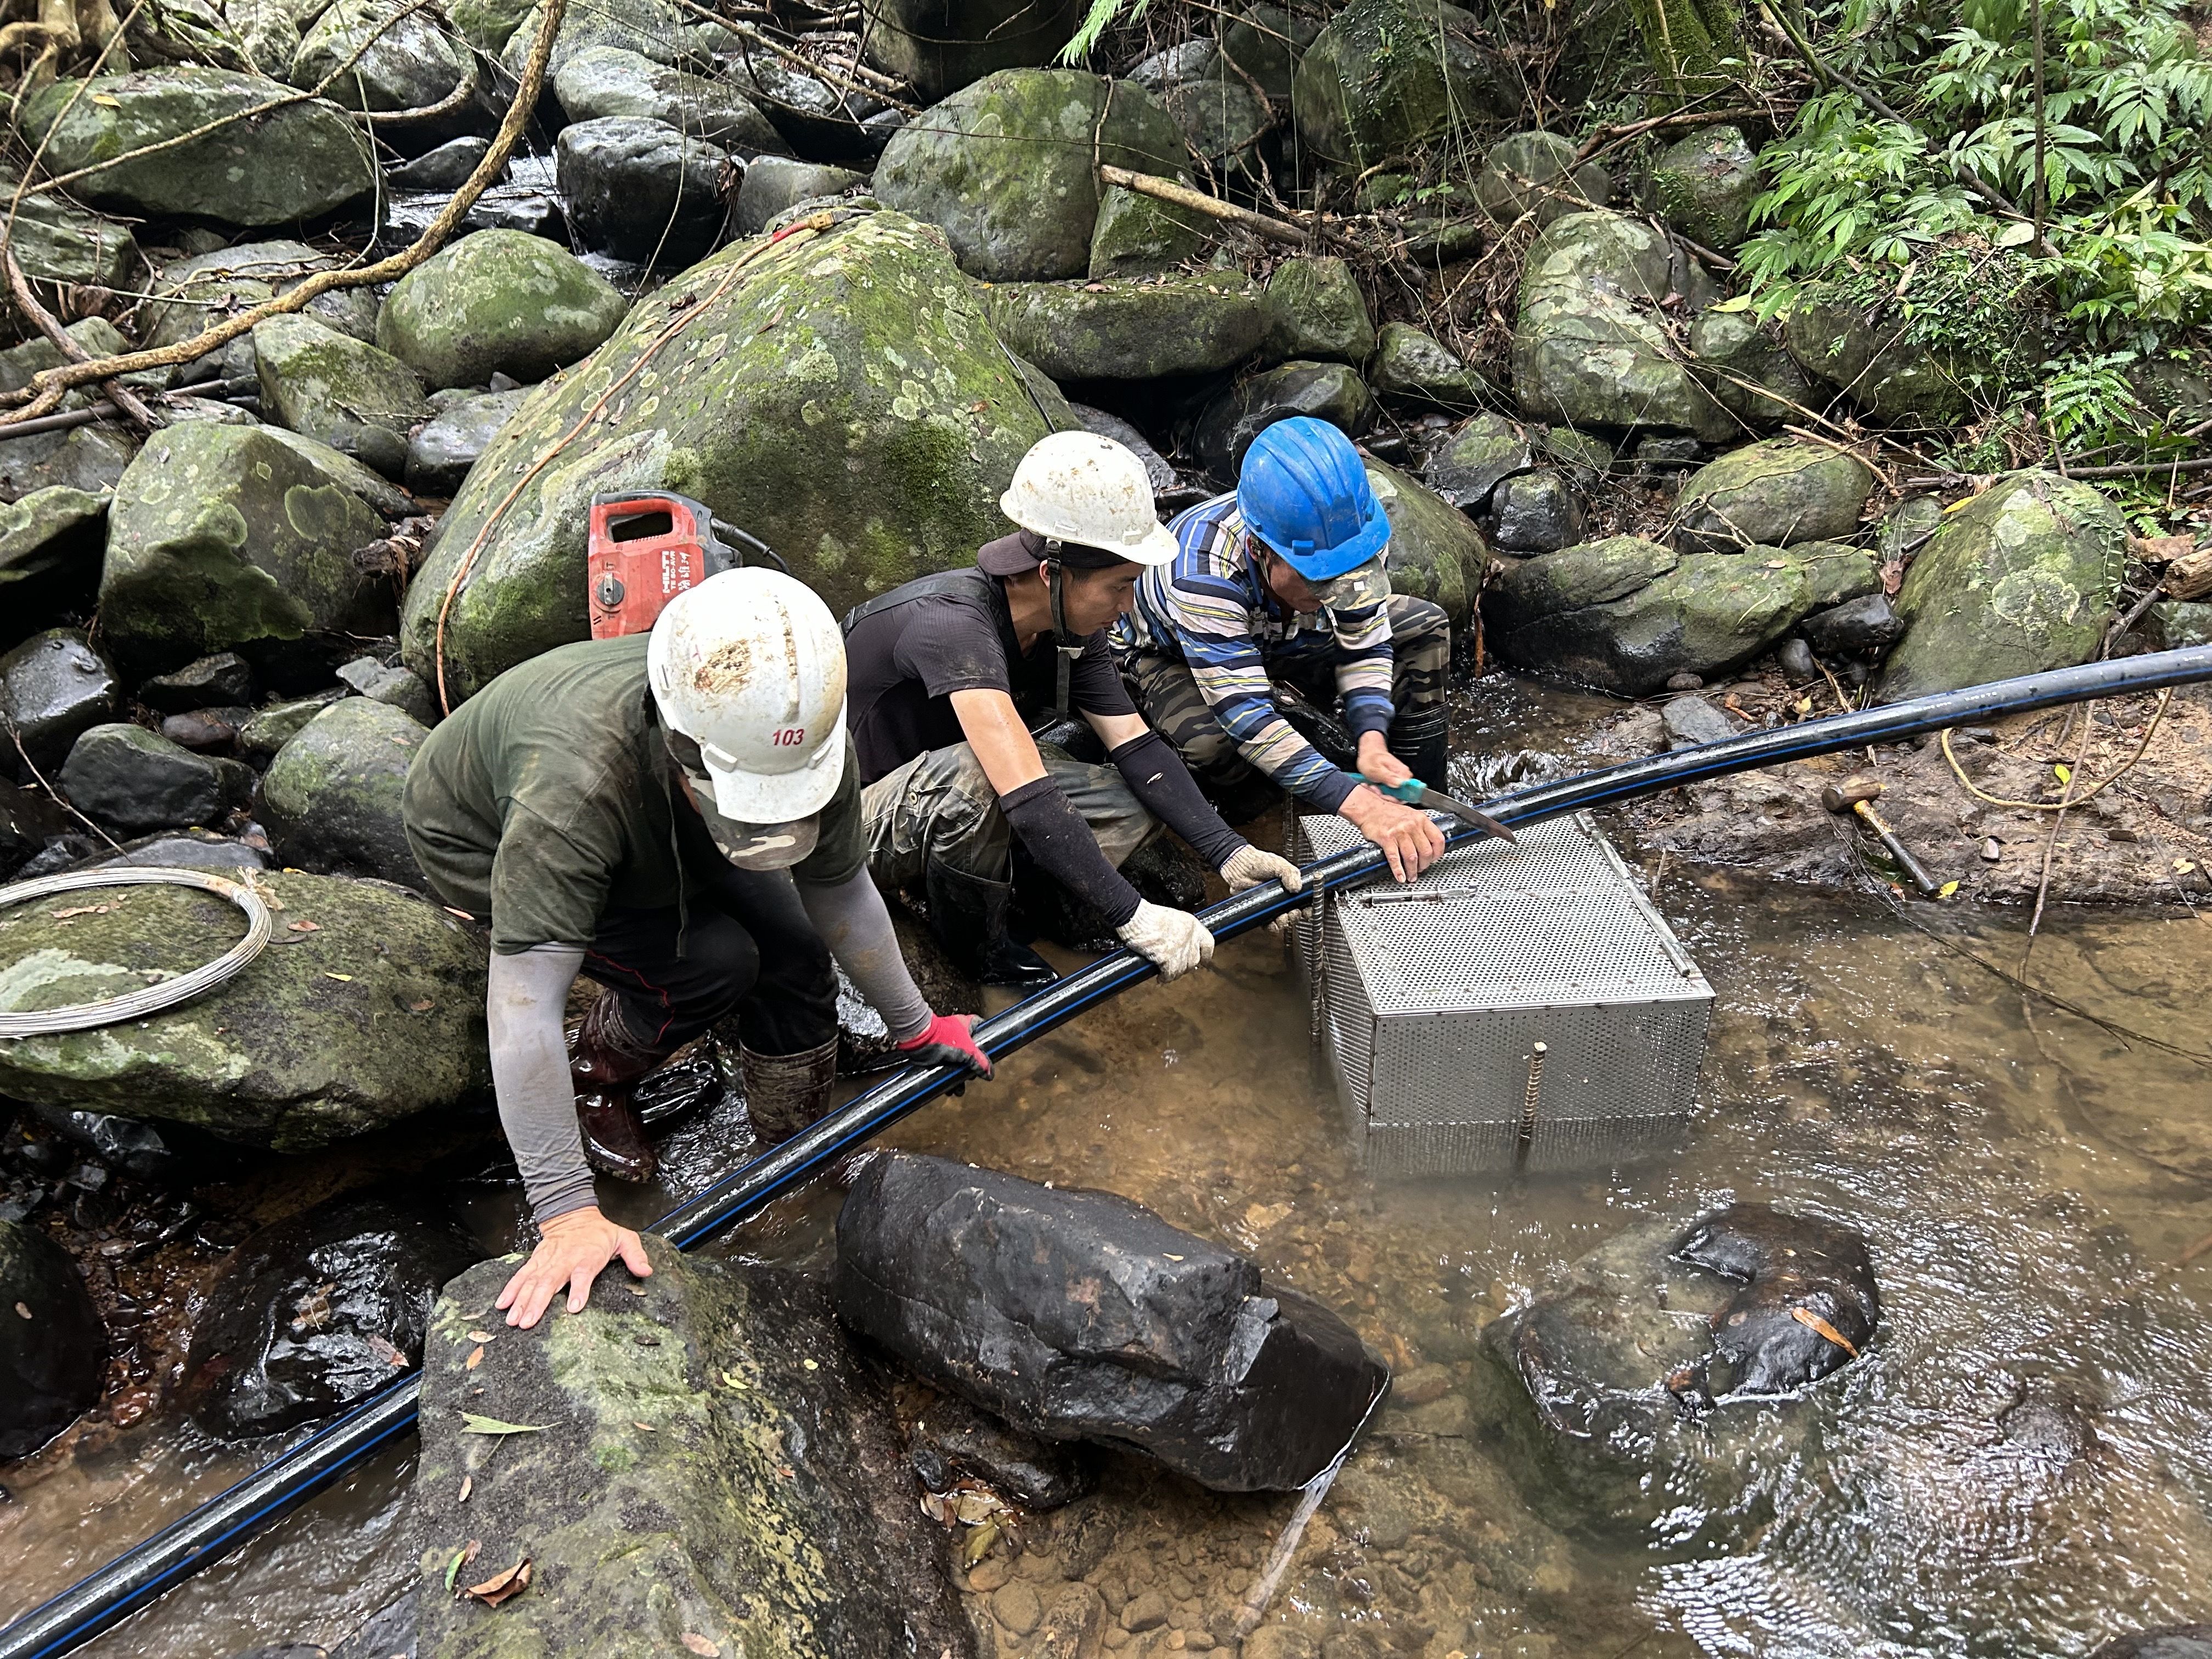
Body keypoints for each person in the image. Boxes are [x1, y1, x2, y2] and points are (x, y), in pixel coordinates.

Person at [402, 568, 991, 1330]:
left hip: (674, 802)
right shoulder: (576, 792)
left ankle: (793, 1156)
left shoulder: (801, 731)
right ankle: (595, 1073)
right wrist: (567, 1212)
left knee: (794, 954)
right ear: (684, 750)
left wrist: (918, 1026)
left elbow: (843, 895)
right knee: (716, 963)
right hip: (479, 831)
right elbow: (522, 1008)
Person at [843, 430, 1306, 986]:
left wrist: (1229, 853)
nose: (1128, 606)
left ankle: (1017, 888)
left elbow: (1136, 746)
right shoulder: (953, 626)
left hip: (932, 786)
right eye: (1118, 588)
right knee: (976, 779)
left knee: (1131, 802)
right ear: (1051, 575)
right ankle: (975, 950)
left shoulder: (1070, 627)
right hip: (847, 822)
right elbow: (1019, 785)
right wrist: (1131, 915)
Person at [1118, 416, 1451, 882]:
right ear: (1260, 550)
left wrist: (1372, 737)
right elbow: (1248, 718)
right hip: (1176, 651)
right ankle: (1266, 818)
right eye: (1320, 578)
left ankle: (1419, 810)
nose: (1337, 589)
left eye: (1346, 572)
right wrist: (1358, 806)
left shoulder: (1353, 533)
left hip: (1285, 627)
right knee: (1210, 744)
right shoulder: (1199, 573)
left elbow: (1366, 638)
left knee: (1423, 625)